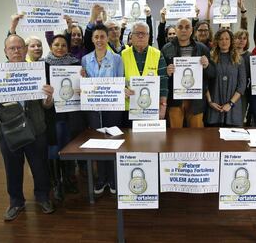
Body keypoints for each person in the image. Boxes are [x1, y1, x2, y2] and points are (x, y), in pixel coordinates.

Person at [0, 34, 55, 221]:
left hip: (36, 129)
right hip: (10, 132)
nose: (16, 51)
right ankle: (16, 202)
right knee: (12, 169)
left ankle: (43, 197)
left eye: (20, 47)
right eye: (12, 48)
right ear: (5, 52)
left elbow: (46, 106)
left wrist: (48, 99)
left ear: (25, 49)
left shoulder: (37, 72)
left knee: (40, 167)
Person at [81, 24, 124, 196]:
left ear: (108, 38)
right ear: (92, 39)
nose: (99, 40)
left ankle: (112, 178)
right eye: (96, 37)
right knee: (97, 141)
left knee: (112, 142)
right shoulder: (85, 59)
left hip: (112, 107)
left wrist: (124, 90)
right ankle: (101, 178)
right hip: (93, 108)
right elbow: (83, 82)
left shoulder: (116, 59)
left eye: (102, 37)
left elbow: (120, 81)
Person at [44, 34, 85, 199]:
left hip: (72, 113)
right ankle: (56, 183)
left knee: (69, 147)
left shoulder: (76, 64)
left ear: (68, 48)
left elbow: (82, 86)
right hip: (52, 114)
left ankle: (69, 179)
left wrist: (84, 79)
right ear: (51, 47)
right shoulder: (43, 65)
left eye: (63, 45)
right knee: (54, 149)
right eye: (56, 45)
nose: (60, 48)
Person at [161, 18, 210, 128]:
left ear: (192, 30)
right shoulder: (166, 48)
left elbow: (212, 74)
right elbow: (160, 75)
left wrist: (207, 66)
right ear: (176, 30)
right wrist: (166, 72)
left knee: (196, 136)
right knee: (175, 135)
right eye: (180, 27)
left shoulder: (202, 48)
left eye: (187, 27)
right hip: (175, 100)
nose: (183, 30)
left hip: (196, 100)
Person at [121, 22, 168, 126]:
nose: (141, 36)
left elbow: (164, 82)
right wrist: (122, 89)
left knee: (150, 140)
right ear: (131, 36)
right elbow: (118, 79)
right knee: (130, 140)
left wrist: (163, 106)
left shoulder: (157, 54)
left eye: (144, 33)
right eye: (137, 33)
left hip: (152, 108)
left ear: (148, 36)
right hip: (129, 109)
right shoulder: (123, 54)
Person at [206, 29, 246, 127]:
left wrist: (230, 104)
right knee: (213, 140)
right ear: (217, 41)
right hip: (214, 106)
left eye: (227, 39)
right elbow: (204, 82)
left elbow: (242, 85)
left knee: (233, 141)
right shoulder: (210, 58)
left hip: (233, 108)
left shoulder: (239, 59)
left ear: (231, 41)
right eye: (221, 39)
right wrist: (210, 102)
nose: (224, 41)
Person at [234, 29, 251, 125]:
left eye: (244, 38)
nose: (242, 40)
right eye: (239, 38)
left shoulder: (250, 56)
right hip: (229, 89)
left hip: (243, 92)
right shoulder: (229, 54)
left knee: (239, 118)